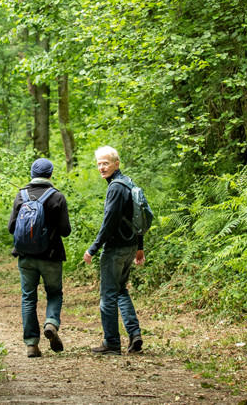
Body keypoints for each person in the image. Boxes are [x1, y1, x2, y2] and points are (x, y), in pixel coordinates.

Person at [83, 145, 144, 355]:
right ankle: (134, 334)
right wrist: (140, 246)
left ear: (116, 164)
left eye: (106, 163)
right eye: (99, 164)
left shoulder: (116, 188)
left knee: (108, 295)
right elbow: (139, 217)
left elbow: (109, 222)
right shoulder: (128, 183)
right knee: (120, 290)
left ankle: (111, 343)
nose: (102, 167)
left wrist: (93, 248)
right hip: (130, 247)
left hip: (116, 249)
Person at [8, 157, 71, 358]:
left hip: (26, 257)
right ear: (50, 174)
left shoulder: (21, 195)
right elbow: (65, 231)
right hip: (51, 257)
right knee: (54, 293)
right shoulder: (57, 197)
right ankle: (51, 322)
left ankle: (31, 344)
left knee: (28, 297)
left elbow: (11, 228)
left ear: (32, 174)